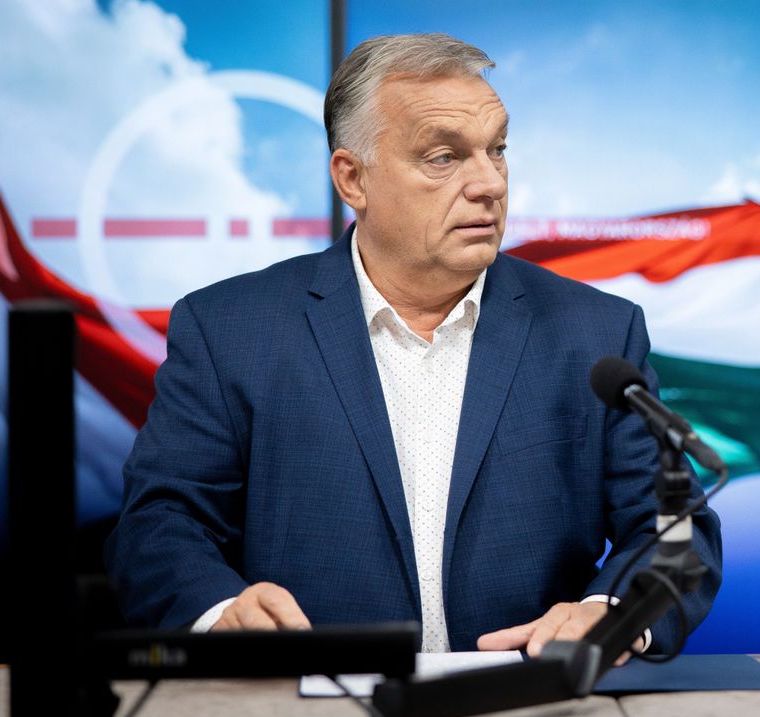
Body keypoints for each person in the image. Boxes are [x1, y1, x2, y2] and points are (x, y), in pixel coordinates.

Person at [104, 33, 722, 656]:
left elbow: (676, 531)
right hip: (306, 711)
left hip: (535, 703)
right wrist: (220, 614)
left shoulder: (595, 333)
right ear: (353, 179)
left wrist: (610, 612)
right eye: (444, 157)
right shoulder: (230, 329)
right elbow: (161, 524)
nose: (490, 184)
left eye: (497, 149)